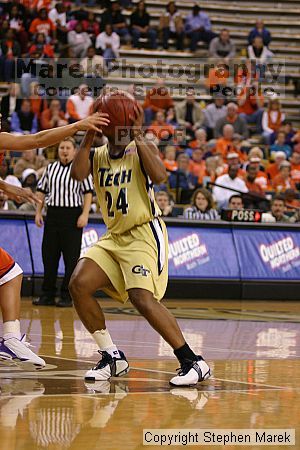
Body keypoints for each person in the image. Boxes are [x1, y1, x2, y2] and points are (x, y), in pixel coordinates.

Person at [69, 98, 211, 386]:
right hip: (114, 236)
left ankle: (193, 362)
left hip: (143, 231)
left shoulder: (139, 149)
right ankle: (112, 357)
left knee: (142, 298)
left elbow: (160, 176)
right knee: (78, 284)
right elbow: (77, 175)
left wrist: (136, 133)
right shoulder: (96, 155)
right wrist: (88, 136)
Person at [0, 112, 109, 367]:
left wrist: (7, 187)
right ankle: (10, 338)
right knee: (10, 274)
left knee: (9, 272)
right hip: (57, 218)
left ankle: (10, 338)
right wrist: (78, 125)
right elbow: (37, 139)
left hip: (69, 217)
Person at [34, 137, 94, 307]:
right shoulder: (50, 169)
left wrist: (85, 214)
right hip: (52, 215)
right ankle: (47, 294)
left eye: (68, 148)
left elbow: (88, 193)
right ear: (58, 150)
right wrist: (38, 212)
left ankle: (67, 296)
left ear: (74, 151)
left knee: (71, 259)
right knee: (49, 257)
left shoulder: (81, 168)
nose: (65, 151)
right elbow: (41, 191)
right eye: (62, 148)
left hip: (72, 217)